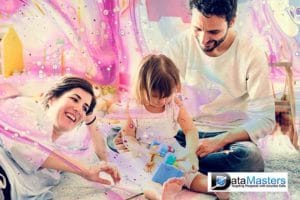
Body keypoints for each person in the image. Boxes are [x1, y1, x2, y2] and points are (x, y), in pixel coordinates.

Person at [163, 0, 275, 176]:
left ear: (232, 21)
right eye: (197, 29)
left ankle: (180, 165)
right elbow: (162, 100)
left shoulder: (251, 53)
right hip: (185, 132)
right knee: (125, 139)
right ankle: (195, 169)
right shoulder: (177, 46)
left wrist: (220, 141)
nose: (203, 40)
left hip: (230, 137)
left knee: (250, 160)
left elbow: (266, 120)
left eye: (213, 32)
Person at [114, 54, 228, 200]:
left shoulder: (174, 105)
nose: (162, 100)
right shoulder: (135, 107)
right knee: (148, 183)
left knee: (191, 176)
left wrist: (190, 153)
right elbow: (128, 136)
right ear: (142, 88)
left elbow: (190, 130)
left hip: (171, 151)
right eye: (156, 96)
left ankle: (222, 186)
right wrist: (139, 153)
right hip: (146, 155)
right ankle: (162, 196)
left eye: (167, 95)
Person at [0, 76, 120, 199]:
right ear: (52, 98)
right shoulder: (25, 106)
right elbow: (29, 151)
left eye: (84, 108)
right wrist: (84, 170)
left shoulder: (65, 152)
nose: (78, 109)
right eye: (74, 99)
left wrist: (90, 116)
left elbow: (102, 156)